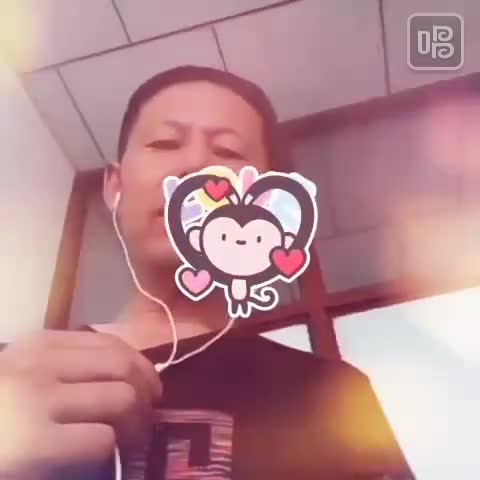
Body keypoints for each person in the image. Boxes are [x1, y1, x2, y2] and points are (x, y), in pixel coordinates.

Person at [0, 66, 414, 480]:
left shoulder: (333, 395)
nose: (196, 166)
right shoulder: (12, 377)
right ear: (115, 187)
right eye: (165, 143)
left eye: (229, 153)